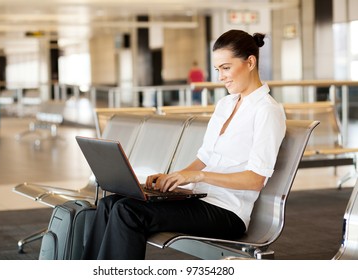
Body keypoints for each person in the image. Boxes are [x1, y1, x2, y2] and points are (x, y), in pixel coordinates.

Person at [82, 29, 286, 260]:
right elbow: (205, 158)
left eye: (226, 68)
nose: (221, 77)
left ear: (250, 62)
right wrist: (174, 177)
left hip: (227, 211)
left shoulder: (267, 111)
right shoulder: (225, 105)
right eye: (218, 69)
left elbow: (256, 180)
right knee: (110, 203)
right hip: (199, 199)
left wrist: (198, 177)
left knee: (128, 211)